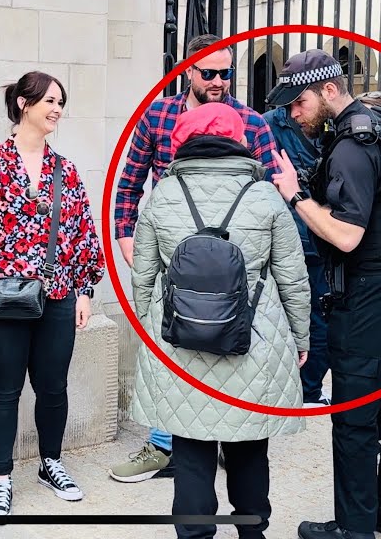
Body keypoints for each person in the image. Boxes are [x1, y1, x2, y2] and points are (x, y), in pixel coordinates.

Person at [266, 49, 381, 539]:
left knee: (356, 418)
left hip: (372, 293)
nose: (293, 114)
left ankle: (354, 529)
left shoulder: (351, 146)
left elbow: (345, 236)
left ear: (329, 91)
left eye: (298, 103)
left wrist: (295, 195)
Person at [128, 102, 310, 539]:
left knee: (190, 448)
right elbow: (292, 275)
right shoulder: (265, 196)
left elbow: (144, 275)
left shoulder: (163, 196)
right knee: (249, 446)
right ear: (240, 142)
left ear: (181, 143)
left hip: (180, 338)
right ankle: (252, 530)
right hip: (254, 337)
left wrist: (148, 326)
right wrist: (301, 336)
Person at [110, 32, 280, 483]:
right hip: (173, 264)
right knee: (172, 350)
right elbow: (128, 187)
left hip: (233, 269)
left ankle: (223, 438)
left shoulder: (252, 122)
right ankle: (163, 446)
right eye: (209, 73)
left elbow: (268, 196)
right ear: (188, 71)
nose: (219, 81)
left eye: (226, 73)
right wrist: (129, 241)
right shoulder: (159, 115)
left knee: (227, 353)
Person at [0, 71, 105, 516]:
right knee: (4, 391)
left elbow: (82, 233)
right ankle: (1, 478)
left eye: (61, 102)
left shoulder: (66, 170)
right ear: (23, 103)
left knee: (53, 388)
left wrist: (85, 290)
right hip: (3, 298)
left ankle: (50, 463)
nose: (57, 109)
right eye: (50, 101)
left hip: (58, 295)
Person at [263, 104, 331, 407]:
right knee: (277, 316)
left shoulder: (336, 125)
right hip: (286, 238)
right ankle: (283, 390)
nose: (296, 112)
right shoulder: (268, 126)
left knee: (319, 317)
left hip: (322, 240)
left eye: (302, 103)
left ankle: (308, 390)